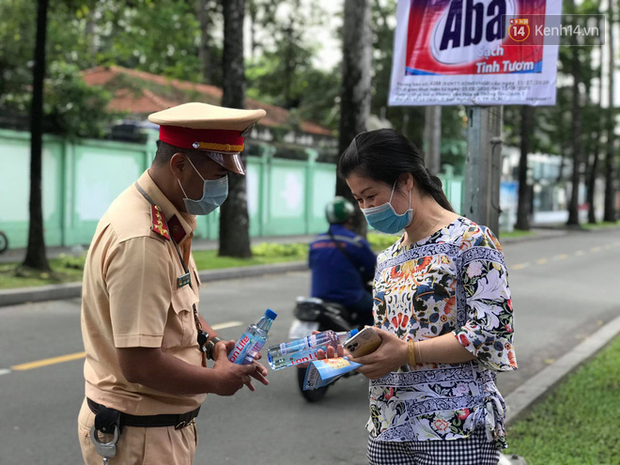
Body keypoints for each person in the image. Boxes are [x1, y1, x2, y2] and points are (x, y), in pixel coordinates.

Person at [77, 102, 270, 465]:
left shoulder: (168, 215)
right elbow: (138, 364)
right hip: (140, 437)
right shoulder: (143, 240)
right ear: (179, 165)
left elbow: (179, 309)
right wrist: (217, 380)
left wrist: (215, 346)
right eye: (216, 173)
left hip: (154, 430)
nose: (222, 185)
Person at [337, 129, 517, 465]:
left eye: (371, 195)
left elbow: (490, 331)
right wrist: (364, 353)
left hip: (453, 425)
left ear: (405, 181)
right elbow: (391, 334)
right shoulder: (387, 258)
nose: (365, 208)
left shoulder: (471, 241)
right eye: (358, 200)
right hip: (388, 424)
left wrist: (407, 353)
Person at [309, 196, 377, 326]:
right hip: (350, 298)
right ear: (349, 218)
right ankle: (366, 341)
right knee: (376, 307)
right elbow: (373, 268)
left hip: (318, 298)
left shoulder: (315, 243)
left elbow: (312, 265)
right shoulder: (355, 242)